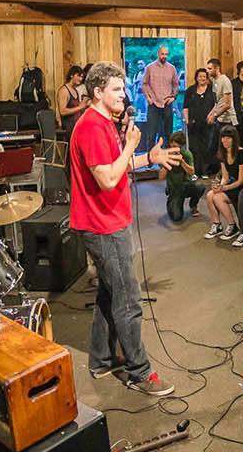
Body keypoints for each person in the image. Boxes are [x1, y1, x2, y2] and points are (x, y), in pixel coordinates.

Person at [68, 60, 179, 396]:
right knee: (128, 300)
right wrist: (131, 145)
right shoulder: (91, 127)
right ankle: (139, 372)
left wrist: (149, 158)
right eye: (116, 90)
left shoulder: (104, 123)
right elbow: (107, 179)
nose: (123, 95)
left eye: (123, 88)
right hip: (102, 225)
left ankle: (101, 360)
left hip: (111, 220)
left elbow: (118, 164)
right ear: (97, 92)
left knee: (109, 293)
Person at [202, 127, 243, 245]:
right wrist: (220, 186)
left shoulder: (241, 153)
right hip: (230, 183)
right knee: (210, 195)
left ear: (234, 139)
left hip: (240, 186)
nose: (225, 140)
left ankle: (232, 226)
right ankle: (217, 224)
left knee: (217, 197)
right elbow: (225, 177)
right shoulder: (222, 153)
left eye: (228, 138)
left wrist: (224, 188)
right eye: (223, 137)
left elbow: (241, 180)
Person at [139, 44, 178, 157]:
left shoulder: (172, 68)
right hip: (154, 104)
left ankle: (166, 158)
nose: (164, 56)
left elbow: (176, 84)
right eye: (162, 54)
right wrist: (148, 98)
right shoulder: (150, 67)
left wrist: (173, 97)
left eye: (166, 54)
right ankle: (150, 159)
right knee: (151, 133)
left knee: (167, 133)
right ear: (158, 54)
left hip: (167, 103)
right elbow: (144, 84)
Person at [183, 67, 218, 179]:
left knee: (207, 147)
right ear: (196, 78)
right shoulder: (190, 91)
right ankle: (195, 172)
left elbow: (217, 105)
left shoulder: (212, 90)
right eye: (200, 76)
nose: (202, 78)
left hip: (208, 124)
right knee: (194, 148)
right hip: (193, 124)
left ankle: (205, 171)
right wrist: (187, 121)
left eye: (204, 76)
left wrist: (213, 116)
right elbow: (185, 107)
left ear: (207, 78)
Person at [163, 131, 204, 223]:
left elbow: (192, 172)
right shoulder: (166, 155)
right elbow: (161, 177)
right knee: (176, 217)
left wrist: (182, 161)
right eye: (171, 145)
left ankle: (193, 205)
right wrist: (167, 163)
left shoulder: (187, 154)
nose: (173, 148)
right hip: (174, 188)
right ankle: (171, 200)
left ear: (181, 146)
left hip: (185, 185)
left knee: (200, 187)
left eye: (175, 146)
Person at [205, 57, 234, 134]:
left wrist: (214, 115)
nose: (207, 71)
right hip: (220, 118)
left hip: (227, 120)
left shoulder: (225, 81)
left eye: (210, 69)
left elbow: (228, 104)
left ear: (217, 69)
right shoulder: (215, 81)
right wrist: (211, 113)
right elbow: (217, 102)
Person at [56, 65, 87, 136]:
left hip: (77, 125)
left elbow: (77, 108)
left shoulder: (75, 90)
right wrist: (79, 108)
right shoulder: (64, 90)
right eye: (78, 76)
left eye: (82, 77)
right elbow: (62, 111)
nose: (80, 79)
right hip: (69, 127)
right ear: (71, 75)